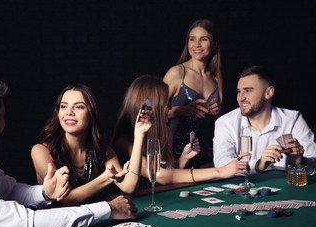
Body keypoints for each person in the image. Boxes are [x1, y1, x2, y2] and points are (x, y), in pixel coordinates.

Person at [0, 73, 137, 227]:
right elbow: (29, 224)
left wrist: (45, 192)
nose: (6, 122)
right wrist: (107, 208)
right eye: (3, 116)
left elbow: (10, 191)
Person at [112, 75, 248, 186]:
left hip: (163, 196)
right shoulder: (124, 142)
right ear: (153, 105)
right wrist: (220, 171)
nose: (170, 108)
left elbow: (170, 173)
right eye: (166, 102)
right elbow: (160, 176)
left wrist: (183, 158)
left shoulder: (165, 131)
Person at [31, 83, 152, 206]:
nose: (69, 112)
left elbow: (128, 186)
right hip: (57, 222)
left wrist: (139, 133)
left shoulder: (102, 150)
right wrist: (106, 178)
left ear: (92, 113)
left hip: (94, 220)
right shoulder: (40, 151)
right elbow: (63, 199)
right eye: (63, 106)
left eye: (79, 107)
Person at [213, 65, 316, 175]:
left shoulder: (293, 119)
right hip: (243, 189)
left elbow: (314, 164)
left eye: (248, 90)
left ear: (268, 93)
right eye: (239, 91)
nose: (241, 98)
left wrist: (300, 161)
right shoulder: (225, 122)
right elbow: (221, 165)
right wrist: (257, 165)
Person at [163, 19, 223, 169]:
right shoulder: (176, 73)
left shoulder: (216, 77)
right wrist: (183, 110)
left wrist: (218, 112)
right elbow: (152, 114)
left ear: (214, 44)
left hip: (207, 154)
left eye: (203, 39)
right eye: (192, 39)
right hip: (176, 155)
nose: (196, 45)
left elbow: (219, 124)